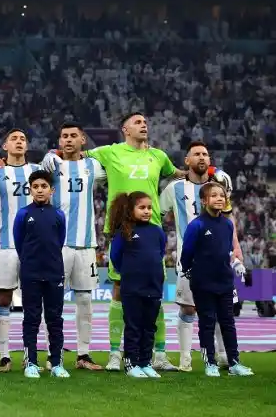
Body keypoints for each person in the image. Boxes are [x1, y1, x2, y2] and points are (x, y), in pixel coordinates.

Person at [75, 113, 184, 372]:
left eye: (145, 122)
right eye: (137, 122)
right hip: (121, 230)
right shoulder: (110, 152)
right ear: (125, 129)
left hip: (152, 229)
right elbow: (79, 157)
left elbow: (177, 173)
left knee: (153, 292)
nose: (144, 124)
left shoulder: (159, 156)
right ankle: (115, 353)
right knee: (119, 289)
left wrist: (204, 170)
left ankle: (158, 354)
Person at [160, 141, 240, 371]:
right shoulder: (175, 188)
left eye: (205, 154)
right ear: (187, 161)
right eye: (196, 154)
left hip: (218, 260)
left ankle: (223, 355)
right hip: (190, 259)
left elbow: (229, 221)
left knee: (219, 309)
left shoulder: (218, 188)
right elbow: (157, 213)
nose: (202, 157)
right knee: (187, 308)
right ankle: (185, 359)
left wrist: (236, 250)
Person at [0, 128, 42, 371]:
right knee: (3, 297)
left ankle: (29, 355)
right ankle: (4, 356)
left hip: (35, 247)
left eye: (23, 138)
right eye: (14, 139)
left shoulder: (37, 172)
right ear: (5, 146)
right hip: (5, 245)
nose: (19, 142)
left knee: (34, 301)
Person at [40, 122, 106, 370]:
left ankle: (83, 354)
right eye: (64, 136)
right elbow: (30, 176)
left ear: (83, 141)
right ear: (59, 142)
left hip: (87, 244)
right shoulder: (51, 165)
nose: (68, 140)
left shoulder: (94, 166)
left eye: (73, 136)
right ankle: (52, 353)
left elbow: (117, 168)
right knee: (54, 300)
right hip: (58, 246)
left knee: (85, 301)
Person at [180, 182, 254, 377]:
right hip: (203, 283)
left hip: (225, 282)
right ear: (204, 201)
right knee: (207, 323)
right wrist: (189, 271)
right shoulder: (196, 225)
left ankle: (234, 363)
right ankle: (210, 363)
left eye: (222, 195)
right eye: (214, 195)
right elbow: (186, 253)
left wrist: (236, 264)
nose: (219, 198)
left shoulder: (228, 224)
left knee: (228, 323)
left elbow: (226, 251)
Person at [13, 171, 68, 379]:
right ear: (30, 189)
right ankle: (31, 363)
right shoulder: (23, 214)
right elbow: (20, 243)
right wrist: (29, 261)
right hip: (31, 273)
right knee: (32, 318)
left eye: (43, 186)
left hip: (54, 273)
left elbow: (59, 241)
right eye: (35, 186)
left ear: (51, 190)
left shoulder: (59, 215)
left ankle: (56, 364)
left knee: (55, 319)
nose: (39, 190)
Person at [108, 192, 166, 379]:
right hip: (132, 288)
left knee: (149, 326)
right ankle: (131, 363)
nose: (147, 211)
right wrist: (130, 272)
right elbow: (115, 258)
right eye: (142, 207)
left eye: (149, 207)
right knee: (133, 326)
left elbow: (160, 253)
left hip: (153, 286)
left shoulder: (157, 231)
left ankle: (145, 362)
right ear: (130, 209)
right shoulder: (123, 232)